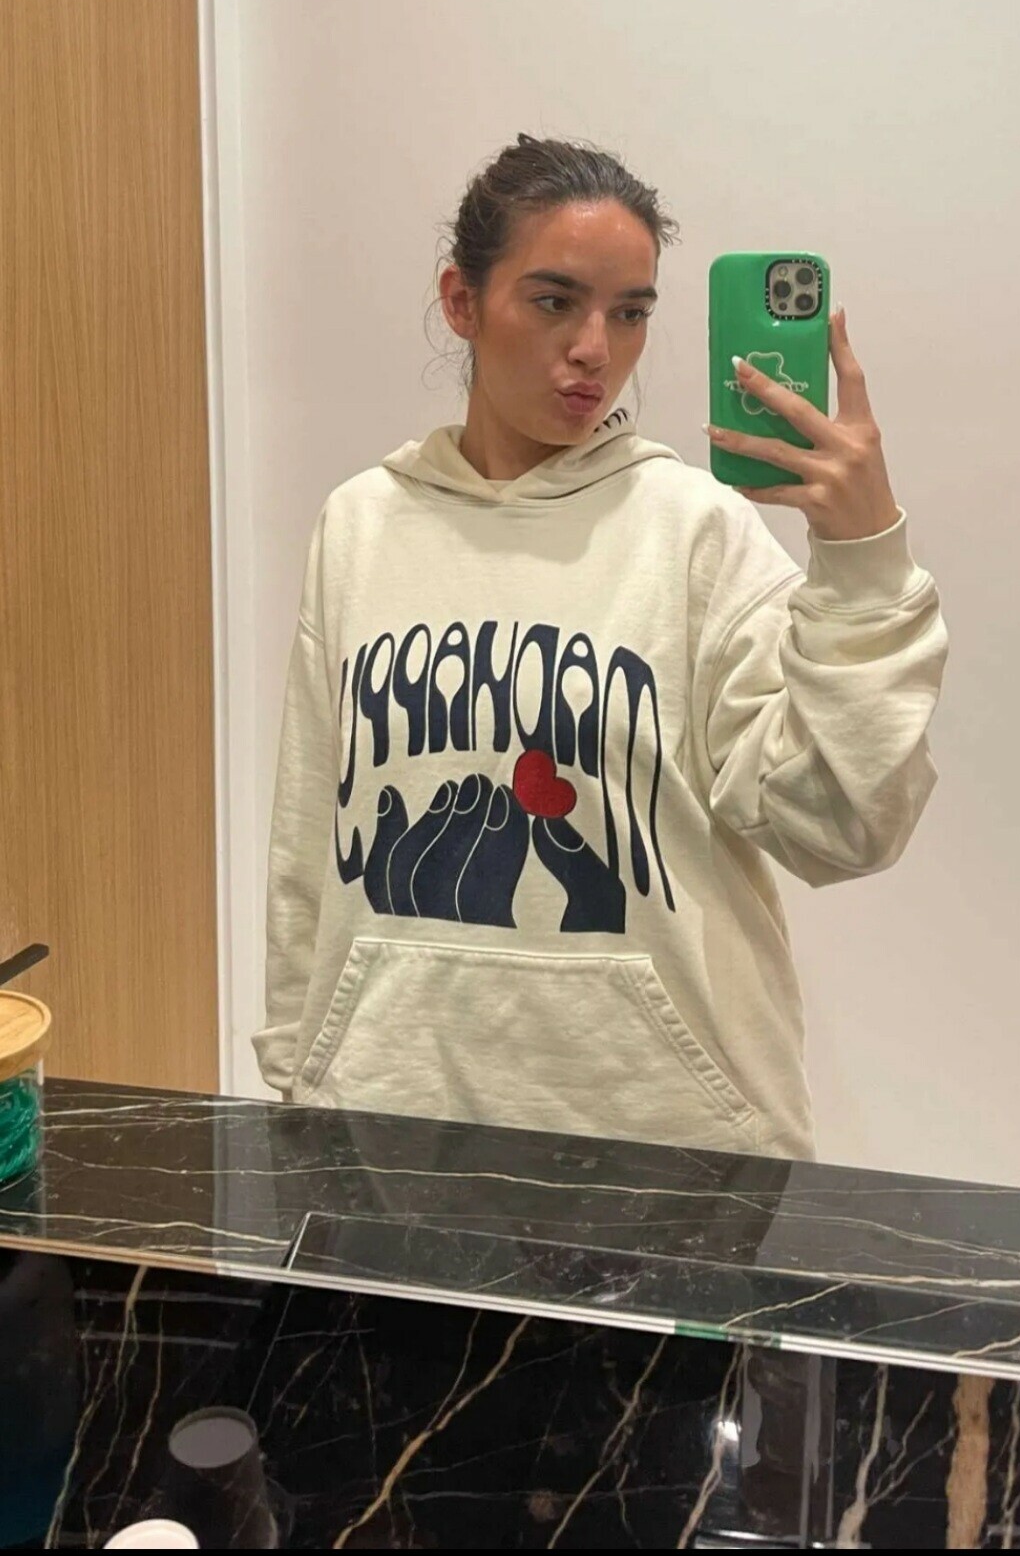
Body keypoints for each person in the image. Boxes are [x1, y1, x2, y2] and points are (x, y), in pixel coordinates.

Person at [253, 134, 948, 1160]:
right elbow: (310, 840)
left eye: (630, 313)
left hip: (664, 1155)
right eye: (555, 301)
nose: (596, 348)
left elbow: (842, 827)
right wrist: (296, 1080)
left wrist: (864, 563)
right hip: (385, 1132)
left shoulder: (693, 531)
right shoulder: (361, 525)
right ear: (461, 300)